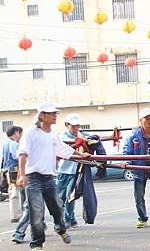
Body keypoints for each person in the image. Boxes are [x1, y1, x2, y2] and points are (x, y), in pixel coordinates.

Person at [16, 103, 91, 250]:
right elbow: (22, 154)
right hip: (33, 179)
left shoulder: (52, 135)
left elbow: (63, 149)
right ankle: (37, 243)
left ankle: (60, 228)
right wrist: (22, 174)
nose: (54, 116)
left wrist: (81, 154)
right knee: (36, 213)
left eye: (55, 113)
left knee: (57, 207)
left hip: (49, 178)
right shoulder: (31, 132)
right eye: (51, 114)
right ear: (42, 116)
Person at [57, 113, 86, 229]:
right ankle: (67, 218)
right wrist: (76, 144)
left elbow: (91, 138)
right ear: (67, 125)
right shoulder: (61, 136)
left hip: (75, 170)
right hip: (64, 170)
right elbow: (64, 148)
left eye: (77, 126)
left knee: (71, 195)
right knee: (61, 197)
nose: (76, 128)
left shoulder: (80, 135)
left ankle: (68, 219)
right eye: (73, 126)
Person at [2, 126, 24, 223]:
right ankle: (16, 214)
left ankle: (15, 214)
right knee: (16, 192)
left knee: (12, 190)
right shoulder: (13, 143)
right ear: (16, 133)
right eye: (20, 133)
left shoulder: (5, 143)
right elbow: (16, 156)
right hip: (14, 169)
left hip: (7, 169)